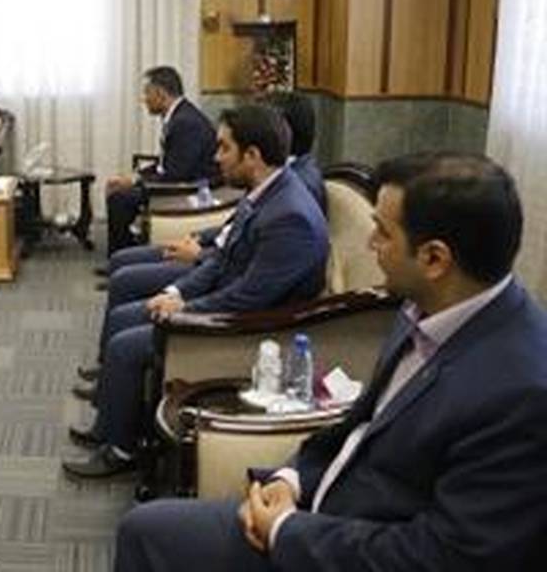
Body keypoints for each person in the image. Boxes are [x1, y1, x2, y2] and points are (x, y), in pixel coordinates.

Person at [114, 152, 547, 572]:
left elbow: (445, 558)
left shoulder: (522, 392)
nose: (370, 244)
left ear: (434, 258)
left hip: (350, 546)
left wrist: (285, 531)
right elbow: (360, 423)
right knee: (147, 529)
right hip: (320, 509)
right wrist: (290, 479)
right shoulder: (424, 308)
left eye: (383, 233)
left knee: (147, 533)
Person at [64, 105, 328, 478]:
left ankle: (122, 451)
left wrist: (184, 310)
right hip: (227, 302)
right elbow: (221, 261)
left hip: (248, 330)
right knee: (125, 317)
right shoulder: (267, 192)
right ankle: (109, 427)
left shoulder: (290, 217)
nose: (215, 157)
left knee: (124, 345)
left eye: (224, 148)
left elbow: (248, 299)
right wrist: (178, 292)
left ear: (252, 156)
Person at [102, 91, 326, 303]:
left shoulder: (297, 187)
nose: (217, 157)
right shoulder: (272, 173)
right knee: (121, 263)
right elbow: (238, 227)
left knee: (124, 281)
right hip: (217, 259)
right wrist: (199, 237)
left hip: (226, 280)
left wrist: (201, 255)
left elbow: (255, 272)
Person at [102, 66, 218, 257]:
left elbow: (176, 175)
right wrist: (134, 178)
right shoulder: (178, 116)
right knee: (120, 191)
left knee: (119, 199)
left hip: (191, 190)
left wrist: (137, 183)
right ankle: (125, 254)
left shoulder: (185, 123)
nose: (144, 99)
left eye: (147, 93)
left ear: (160, 93)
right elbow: (166, 164)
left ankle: (120, 258)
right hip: (180, 181)